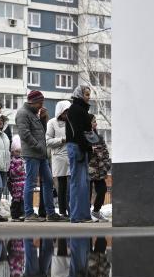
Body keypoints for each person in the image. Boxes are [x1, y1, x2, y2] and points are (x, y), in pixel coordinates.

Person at [15, 90, 62, 222]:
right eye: (40, 103)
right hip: (32, 154)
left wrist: (43, 118)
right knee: (30, 182)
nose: (41, 105)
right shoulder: (23, 113)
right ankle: (29, 213)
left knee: (48, 181)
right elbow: (25, 134)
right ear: (33, 101)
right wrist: (38, 146)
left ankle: (50, 213)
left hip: (41, 154)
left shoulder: (35, 113)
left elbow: (41, 132)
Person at [64, 85, 93, 223]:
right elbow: (78, 131)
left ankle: (84, 215)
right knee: (77, 182)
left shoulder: (81, 109)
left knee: (84, 182)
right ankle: (75, 216)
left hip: (81, 146)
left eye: (89, 94)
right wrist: (84, 147)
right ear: (80, 95)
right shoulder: (75, 109)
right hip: (77, 147)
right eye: (87, 94)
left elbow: (86, 131)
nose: (89, 97)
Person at [46, 100, 71, 218]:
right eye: (65, 112)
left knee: (71, 186)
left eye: (68, 112)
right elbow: (48, 141)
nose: (67, 114)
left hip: (71, 156)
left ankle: (72, 210)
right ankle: (63, 211)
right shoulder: (52, 123)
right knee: (62, 186)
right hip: (59, 157)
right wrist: (62, 140)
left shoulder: (71, 122)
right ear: (60, 111)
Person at [87, 114, 111, 222]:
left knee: (102, 189)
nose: (95, 124)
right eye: (93, 121)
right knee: (87, 191)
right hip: (88, 170)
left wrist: (106, 165)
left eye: (95, 121)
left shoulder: (99, 137)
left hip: (100, 170)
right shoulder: (84, 137)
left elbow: (105, 152)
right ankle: (87, 213)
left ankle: (96, 211)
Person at [7, 136, 26, 222]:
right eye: (16, 151)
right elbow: (11, 172)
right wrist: (18, 170)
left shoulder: (22, 159)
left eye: (19, 151)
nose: (18, 153)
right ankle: (14, 215)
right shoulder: (12, 160)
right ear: (12, 151)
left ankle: (22, 214)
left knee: (22, 199)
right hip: (15, 183)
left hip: (22, 182)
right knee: (16, 199)